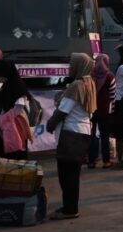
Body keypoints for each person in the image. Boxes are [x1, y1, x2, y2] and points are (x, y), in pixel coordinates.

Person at [46, 53, 96, 220]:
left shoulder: (76, 85)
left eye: (72, 64)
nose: (70, 67)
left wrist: (50, 124)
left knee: (66, 174)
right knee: (72, 174)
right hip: (83, 132)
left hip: (71, 134)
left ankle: (70, 209)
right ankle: (70, 206)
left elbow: (63, 110)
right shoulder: (89, 82)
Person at [0, 59, 32, 160]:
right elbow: (5, 105)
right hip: (8, 124)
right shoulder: (6, 85)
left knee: (17, 152)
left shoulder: (18, 85)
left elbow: (19, 106)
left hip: (17, 123)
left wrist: (2, 119)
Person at [88, 54, 116, 168]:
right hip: (105, 111)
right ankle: (106, 161)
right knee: (104, 136)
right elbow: (113, 95)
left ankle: (91, 161)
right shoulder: (110, 77)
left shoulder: (91, 76)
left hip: (92, 110)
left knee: (92, 135)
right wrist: (112, 111)